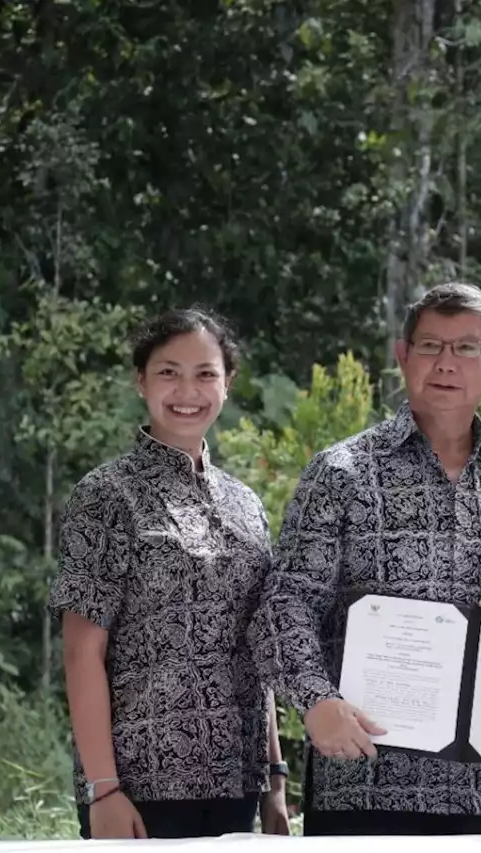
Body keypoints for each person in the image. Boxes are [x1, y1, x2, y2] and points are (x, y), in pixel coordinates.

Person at [249, 282, 481, 836]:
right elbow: (283, 606)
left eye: (466, 348)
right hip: (360, 781)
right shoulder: (342, 473)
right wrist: (315, 703)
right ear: (403, 356)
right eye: (431, 346)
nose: (446, 364)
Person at [49, 308, 291, 839]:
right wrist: (104, 789)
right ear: (141, 381)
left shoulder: (245, 504)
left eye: (205, 373)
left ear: (227, 383)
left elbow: (259, 646)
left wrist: (274, 779)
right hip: (141, 786)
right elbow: (80, 652)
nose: (188, 390)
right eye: (168, 372)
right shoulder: (106, 495)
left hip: (237, 783)